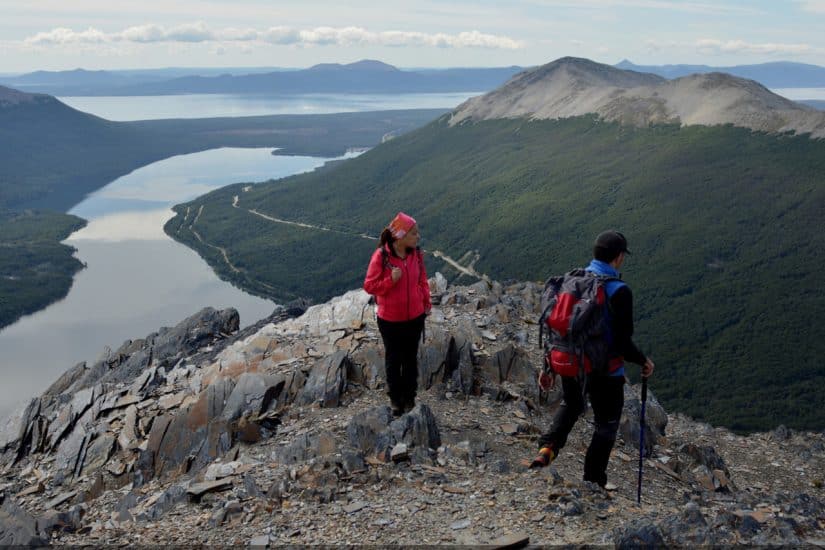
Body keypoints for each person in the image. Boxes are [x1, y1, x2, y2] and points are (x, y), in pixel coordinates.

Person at [530, 230, 655, 488]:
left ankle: (547, 448)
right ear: (619, 258)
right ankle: (593, 482)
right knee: (606, 426)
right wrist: (643, 361)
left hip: (571, 361)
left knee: (572, 404)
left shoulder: (572, 280)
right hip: (604, 371)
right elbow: (622, 342)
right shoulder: (619, 291)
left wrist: (548, 366)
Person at [363, 212, 432, 416]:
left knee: (410, 359)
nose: (417, 237)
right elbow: (369, 286)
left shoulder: (415, 254)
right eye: (413, 233)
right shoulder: (381, 256)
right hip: (390, 320)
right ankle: (395, 400)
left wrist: (426, 302)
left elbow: (422, 280)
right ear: (400, 236)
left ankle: (409, 399)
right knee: (394, 360)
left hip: (415, 317)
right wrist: (390, 281)